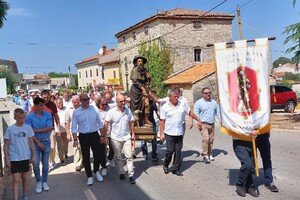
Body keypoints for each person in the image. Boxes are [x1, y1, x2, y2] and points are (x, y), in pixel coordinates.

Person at [160, 89, 202, 176]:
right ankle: (166, 164)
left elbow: (190, 113)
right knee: (170, 151)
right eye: (175, 97)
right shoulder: (165, 107)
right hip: (169, 133)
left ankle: (176, 168)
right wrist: (161, 133)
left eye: (177, 96)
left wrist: (198, 120)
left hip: (179, 132)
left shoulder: (182, 104)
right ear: (170, 97)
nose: (177, 98)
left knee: (178, 151)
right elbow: (162, 121)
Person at [71, 93, 108, 186]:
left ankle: (96, 171)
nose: (87, 101)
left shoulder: (94, 109)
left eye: (88, 99)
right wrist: (75, 139)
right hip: (83, 136)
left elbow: (100, 124)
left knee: (98, 155)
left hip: (94, 135)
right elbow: (74, 127)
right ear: (80, 101)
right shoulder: (76, 112)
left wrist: (103, 136)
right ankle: (89, 176)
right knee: (86, 157)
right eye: (85, 99)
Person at [4, 108, 36, 200]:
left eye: (23, 118)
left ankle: (25, 194)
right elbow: (6, 144)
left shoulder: (27, 128)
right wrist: (7, 158)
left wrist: (34, 155)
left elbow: (31, 142)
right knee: (16, 179)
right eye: (20, 118)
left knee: (25, 177)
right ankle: (15, 198)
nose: (22, 120)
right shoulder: (10, 129)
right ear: (15, 118)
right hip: (14, 157)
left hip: (25, 156)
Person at [104, 94, 136, 184]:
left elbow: (131, 122)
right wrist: (106, 136)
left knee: (129, 156)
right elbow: (106, 123)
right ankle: (121, 172)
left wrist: (133, 133)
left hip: (126, 137)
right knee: (118, 157)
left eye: (124, 101)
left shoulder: (128, 110)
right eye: (121, 101)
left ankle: (131, 174)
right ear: (117, 102)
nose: (123, 103)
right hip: (115, 138)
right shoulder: (111, 112)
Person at [25, 97, 53, 193]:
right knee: (35, 163)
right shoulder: (29, 117)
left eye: (43, 104)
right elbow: (29, 133)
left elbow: (49, 128)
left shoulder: (48, 114)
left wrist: (36, 130)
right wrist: (38, 142)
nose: (43, 107)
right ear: (36, 105)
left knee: (45, 164)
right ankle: (38, 181)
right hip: (35, 143)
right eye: (41, 105)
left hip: (46, 141)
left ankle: (44, 181)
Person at [32, 90, 61, 168]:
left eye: (47, 97)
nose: (46, 99)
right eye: (44, 98)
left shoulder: (52, 105)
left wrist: (58, 128)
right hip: (38, 130)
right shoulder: (36, 105)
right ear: (41, 97)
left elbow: (56, 117)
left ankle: (52, 160)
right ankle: (45, 162)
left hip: (50, 129)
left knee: (52, 147)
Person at [193, 87, 220, 164]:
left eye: (209, 93)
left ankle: (210, 154)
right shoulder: (199, 103)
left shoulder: (214, 102)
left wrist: (222, 122)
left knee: (211, 140)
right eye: (206, 93)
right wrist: (197, 123)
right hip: (203, 124)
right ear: (202, 94)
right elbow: (195, 114)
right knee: (206, 139)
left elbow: (217, 113)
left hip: (211, 124)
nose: (208, 94)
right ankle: (205, 155)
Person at [233, 132, 259, 197]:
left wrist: (257, 131)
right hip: (239, 142)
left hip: (252, 142)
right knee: (247, 165)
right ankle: (239, 184)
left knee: (252, 166)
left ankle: (249, 186)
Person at [129, 55, 152, 126]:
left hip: (144, 88)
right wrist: (142, 89)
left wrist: (149, 77)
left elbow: (147, 80)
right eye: (139, 61)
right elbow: (135, 81)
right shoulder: (134, 69)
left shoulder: (145, 70)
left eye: (141, 61)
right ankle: (135, 121)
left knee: (147, 104)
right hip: (136, 90)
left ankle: (146, 120)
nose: (140, 62)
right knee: (136, 107)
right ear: (136, 63)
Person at [65, 95, 84, 172]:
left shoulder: (83, 108)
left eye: (77, 102)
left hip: (83, 131)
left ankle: (83, 160)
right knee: (76, 147)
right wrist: (68, 133)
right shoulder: (68, 110)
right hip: (74, 132)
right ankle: (77, 164)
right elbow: (67, 122)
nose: (76, 104)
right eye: (74, 102)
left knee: (83, 148)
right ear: (72, 102)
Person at [141, 90, 160, 161]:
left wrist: (160, 119)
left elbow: (156, 111)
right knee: (143, 139)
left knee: (154, 140)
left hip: (152, 123)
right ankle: (144, 153)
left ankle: (154, 154)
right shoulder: (142, 103)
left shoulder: (152, 102)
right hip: (143, 123)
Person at [96, 97, 111, 176]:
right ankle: (104, 167)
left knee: (113, 149)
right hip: (100, 134)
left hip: (110, 134)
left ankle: (110, 158)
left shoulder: (110, 109)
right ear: (99, 104)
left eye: (106, 104)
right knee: (102, 152)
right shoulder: (96, 112)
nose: (105, 106)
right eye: (103, 105)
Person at [55, 97, 69, 166]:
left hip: (66, 130)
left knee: (65, 144)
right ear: (56, 103)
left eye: (61, 102)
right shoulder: (55, 111)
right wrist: (57, 129)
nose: (61, 104)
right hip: (58, 130)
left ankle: (65, 153)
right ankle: (62, 159)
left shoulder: (66, 109)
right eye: (59, 103)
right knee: (59, 145)